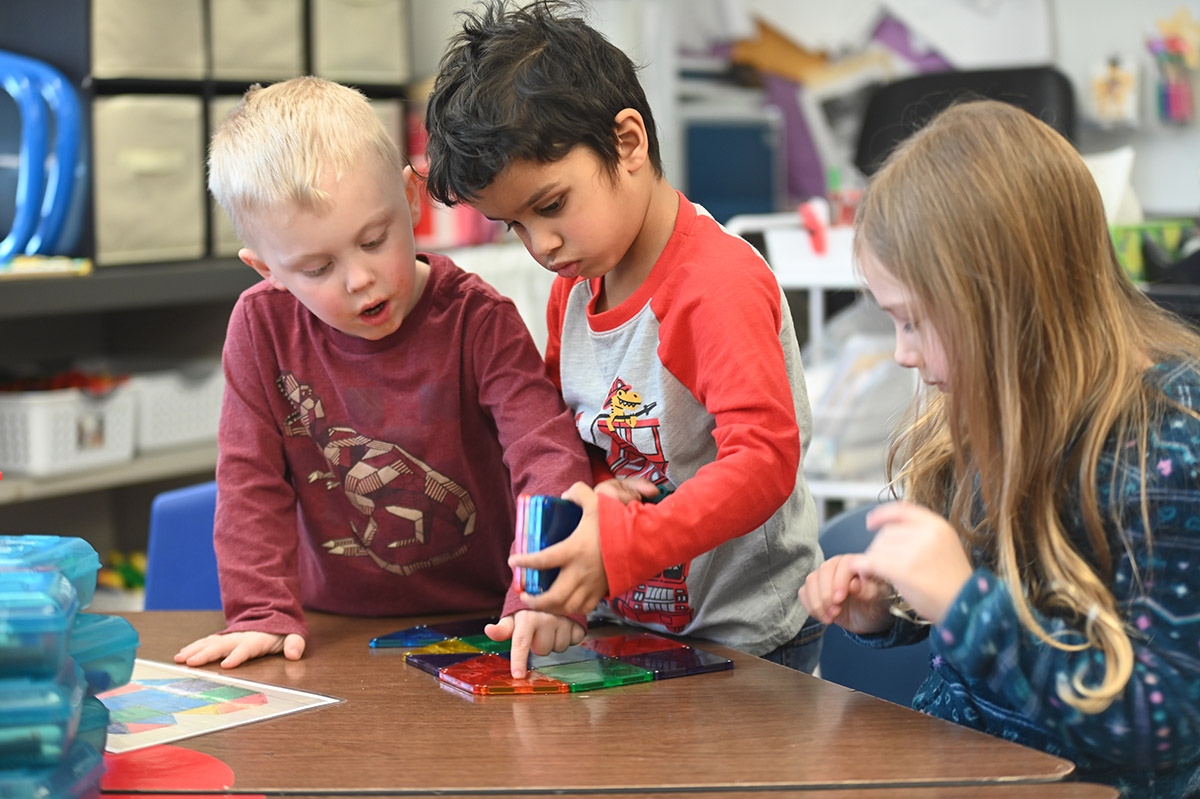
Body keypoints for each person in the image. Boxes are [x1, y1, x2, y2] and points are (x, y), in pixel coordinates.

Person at [798, 100, 1200, 798]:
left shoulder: (1172, 442)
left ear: (1003, 304)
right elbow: (993, 609)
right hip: (961, 768)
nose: (901, 353)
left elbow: (1161, 724)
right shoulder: (993, 407)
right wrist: (892, 606)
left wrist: (964, 605)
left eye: (915, 321)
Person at [422, 0, 823, 675]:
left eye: (551, 205)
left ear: (628, 142)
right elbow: (574, 444)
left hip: (750, 638)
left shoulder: (714, 284)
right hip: (634, 625)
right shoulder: (575, 289)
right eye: (515, 226)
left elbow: (764, 461)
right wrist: (563, 563)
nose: (541, 245)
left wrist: (622, 545)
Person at [173, 76, 593, 673]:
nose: (359, 279)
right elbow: (249, 481)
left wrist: (540, 593)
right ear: (267, 270)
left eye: (374, 240)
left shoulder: (478, 319)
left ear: (411, 199)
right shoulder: (260, 326)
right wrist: (260, 611)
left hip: (489, 618)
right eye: (316, 268)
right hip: (333, 628)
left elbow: (545, 455)